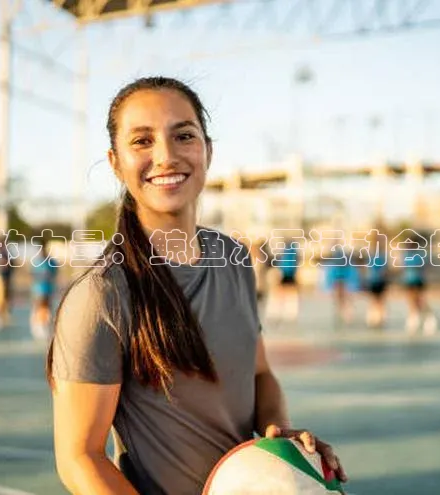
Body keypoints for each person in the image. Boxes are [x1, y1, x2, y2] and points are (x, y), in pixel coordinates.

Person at [47, 77, 347, 495]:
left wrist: (282, 437)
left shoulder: (236, 260)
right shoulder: (103, 295)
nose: (166, 156)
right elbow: (80, 458)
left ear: (208, 149)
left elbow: (260, 373)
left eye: (183, 135)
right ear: (115, 163)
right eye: (142, 141)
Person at [401, 239, 438, 336]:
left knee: (420, 300)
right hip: (409, 281)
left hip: (417, 280)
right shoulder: (407, 254)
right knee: (411, 300)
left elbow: (423, 266)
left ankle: (429, 317)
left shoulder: (419, 254)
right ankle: (414, 318)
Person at [31, 239, 58, 342]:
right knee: (40, 308)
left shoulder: (48, 261)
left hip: (46, 289)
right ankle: (40, 328)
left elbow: (54, 272)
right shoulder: (38, 261)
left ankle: (44, 328)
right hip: (39, 290)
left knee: (45, 309)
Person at [365, 229, 389, 329]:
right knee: (377, 300)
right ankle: (377, 317)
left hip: (377, 280)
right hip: (375, 280)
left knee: (377, 300)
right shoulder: (375, 254)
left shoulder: (379, 255)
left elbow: (383, 269)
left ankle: (378, 317)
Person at [0, 236, 14, 330]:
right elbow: (2, 264)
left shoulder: (5, 253)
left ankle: (4, 316)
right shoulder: (0, 253)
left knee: (6, 298)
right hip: (0, 279)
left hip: (5, 278)